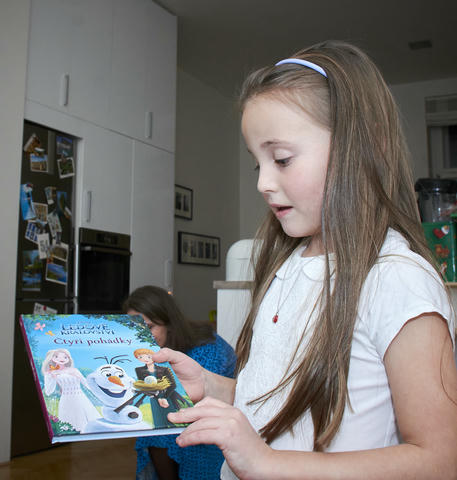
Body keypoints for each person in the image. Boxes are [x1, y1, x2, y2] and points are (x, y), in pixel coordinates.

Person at [154, 40, 457, 479]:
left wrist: (267, 464)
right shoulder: (287, 264)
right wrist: (214, 387)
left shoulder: (397, 280)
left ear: (362, 146)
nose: (262, 182)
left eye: (281, 159)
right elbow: (284, 407)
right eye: (258, 164)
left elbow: (440, 461)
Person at [123, 285, 237, 480]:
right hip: (182, 414)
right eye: (134, 329)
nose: (140, 336)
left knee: (160, 431)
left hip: (218, 421)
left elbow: (198, 405)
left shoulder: (208, 349)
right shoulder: (149, 351)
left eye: (149, 327)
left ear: (169, 324)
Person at [41, 348, 101, 432]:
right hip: (66, 399)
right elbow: (49, 391)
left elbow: (85, 382)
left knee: (84, 416)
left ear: (68, 359)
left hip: (80, 397)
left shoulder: (74, 370)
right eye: (57, 357)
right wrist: (50, 377)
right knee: (69, 420)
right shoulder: (52, 373)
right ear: (52, 358)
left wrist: (98, 390)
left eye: (65, 357)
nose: (61, 359)